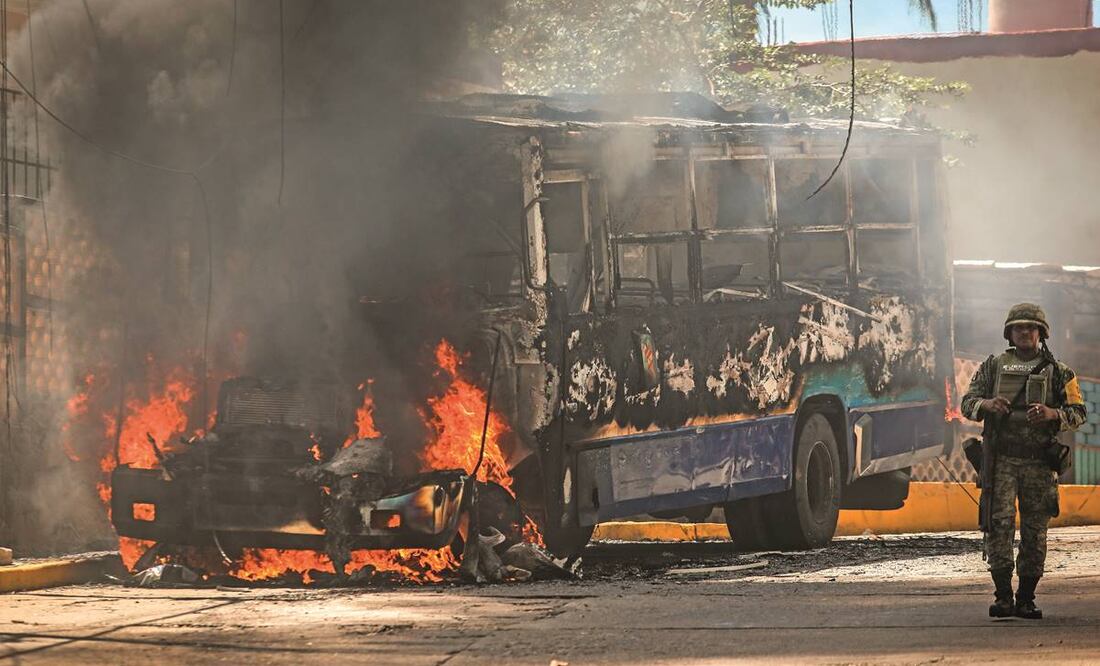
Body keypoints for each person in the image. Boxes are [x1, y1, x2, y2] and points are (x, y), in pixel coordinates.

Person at [961, 303, 1086, 619]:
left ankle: (1026, 597)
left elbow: (1080, 413)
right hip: (1001, 461)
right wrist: (988, 404)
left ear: (1041, 333)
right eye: (1019, 328)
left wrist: (1053, 413)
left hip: (1038, 464)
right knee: (998, 525)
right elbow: (967, 403)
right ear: (1010, 333)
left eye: (1031, 328)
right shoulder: (992, 367)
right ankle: (1003, 596)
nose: (1025, 333)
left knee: (1035, 530)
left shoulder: (1060, 372)